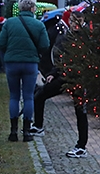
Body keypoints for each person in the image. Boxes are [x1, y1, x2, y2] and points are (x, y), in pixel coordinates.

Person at [31, 10, 90, 157]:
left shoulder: (86, 38)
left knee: (80, 111)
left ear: (82, 22)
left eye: (78, 22)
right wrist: (52, 73)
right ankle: (38, 126)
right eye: (72, 21)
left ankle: (81, 146)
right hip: (64, 76)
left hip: (79, 78)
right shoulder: (65, 37)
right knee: (40, 95)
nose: (74, 24)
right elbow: (60, 59)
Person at [0, 0, 49, 141]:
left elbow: (1, 43)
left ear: (20, 8)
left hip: (12, 63)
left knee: (14, 96)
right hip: (30, 64)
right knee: (28, 97)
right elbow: (45, 45)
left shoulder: (9, 23)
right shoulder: (39, 25)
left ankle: (13, 132)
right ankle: (26, 132)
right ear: (33, 8)